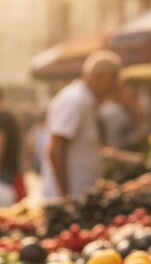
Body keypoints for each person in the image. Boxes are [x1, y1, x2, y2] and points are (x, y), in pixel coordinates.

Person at [44, 50, 120, 200]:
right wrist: (65, 196)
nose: (114, 88)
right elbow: (56, 148)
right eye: (113, 82)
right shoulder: (75, 101)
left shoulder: (86, 102)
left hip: (81, 195)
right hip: (70, 198)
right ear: (101, 78)